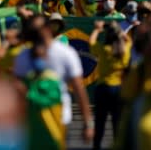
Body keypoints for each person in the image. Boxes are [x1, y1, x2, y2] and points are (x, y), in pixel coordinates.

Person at [14, 14, 94, 145]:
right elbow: (17, 90)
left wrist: (88, 123)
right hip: (31, 121)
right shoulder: (23, 56)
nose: (36, 36)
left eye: (38, 31)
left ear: (47, 29)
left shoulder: (66, 53)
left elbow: (79, 89)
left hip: (59, 119)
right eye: (32, 33)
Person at [89, 20, 130, 150]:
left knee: (100, 122)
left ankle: (96, 146)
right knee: (117, 123)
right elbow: (129, 41)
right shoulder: (124, 50)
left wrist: (97, 29)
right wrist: (120, 31)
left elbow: (91, 43)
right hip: (118, 89)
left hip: (103, 88)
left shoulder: (104, 49)